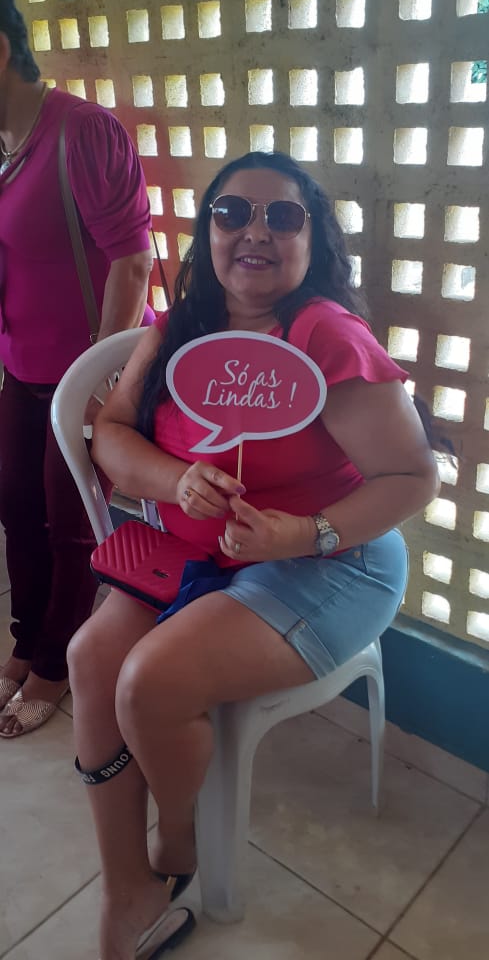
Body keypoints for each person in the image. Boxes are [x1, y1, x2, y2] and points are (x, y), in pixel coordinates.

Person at [67, 150, 440, 960]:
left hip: (332, 561)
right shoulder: (180, 326)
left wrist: (298, 534)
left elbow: (413, 478)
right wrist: (176, 480)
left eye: (283, 216)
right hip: (196, 552)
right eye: (232, 213)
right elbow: (113, 434)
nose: (255, 232)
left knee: (151, 681)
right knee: (91, 659)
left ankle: (178, 839)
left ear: (313, 239)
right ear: (208, 233)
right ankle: (126, 890)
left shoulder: (325, 337)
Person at [0, 0, 155, 737]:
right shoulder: (5, 145)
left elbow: (133, 259)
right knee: (16, 507)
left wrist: (99, 381)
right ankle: (27, 641)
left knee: (68, 524)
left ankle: (55, 666)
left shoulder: (83, 133)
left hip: (91, 376)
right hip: (22, 365)